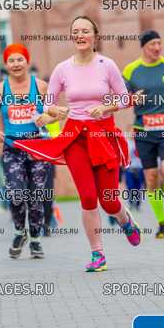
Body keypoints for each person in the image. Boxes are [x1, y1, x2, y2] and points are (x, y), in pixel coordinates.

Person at [14, 16, 141, 272]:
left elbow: (125, 98)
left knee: (109, 201)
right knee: (88, 197)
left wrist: (105, 107)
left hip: (102, 135)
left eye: (85, 31)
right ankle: (98, 253)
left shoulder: (107, 65)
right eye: (76, 32)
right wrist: (54, 111)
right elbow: (47, 104)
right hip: (75, 138)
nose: (80, 35)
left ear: (95, 36)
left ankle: (125, 220)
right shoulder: (62, 69)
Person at [0, 43, 56, 259]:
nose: (16, 64)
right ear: (6, 64)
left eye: (20, 59)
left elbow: (54, 112)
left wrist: (48, 118)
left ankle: (35, 239)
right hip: (13, 148)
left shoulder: (41, 86)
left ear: (27, 62)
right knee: (16, 193)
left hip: (38, 147)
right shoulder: (0, 90)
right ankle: (19, 231)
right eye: (11, 60)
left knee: (36, 196)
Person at [122, 30, 164, 239]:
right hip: (144, 131)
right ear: (144, 46)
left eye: (159, 43)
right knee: (151, 178)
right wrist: (132, 99)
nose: (157, 47)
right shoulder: (131, 70)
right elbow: (123, 98)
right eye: (152, 44)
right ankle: (162, 223)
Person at [125, 134, 145, 211]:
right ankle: (131, 202)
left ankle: (137, 203)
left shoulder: (141, 143)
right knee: (130, 186)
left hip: (139, 168)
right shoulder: (127, 142)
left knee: (138, 187)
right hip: (130, 168)